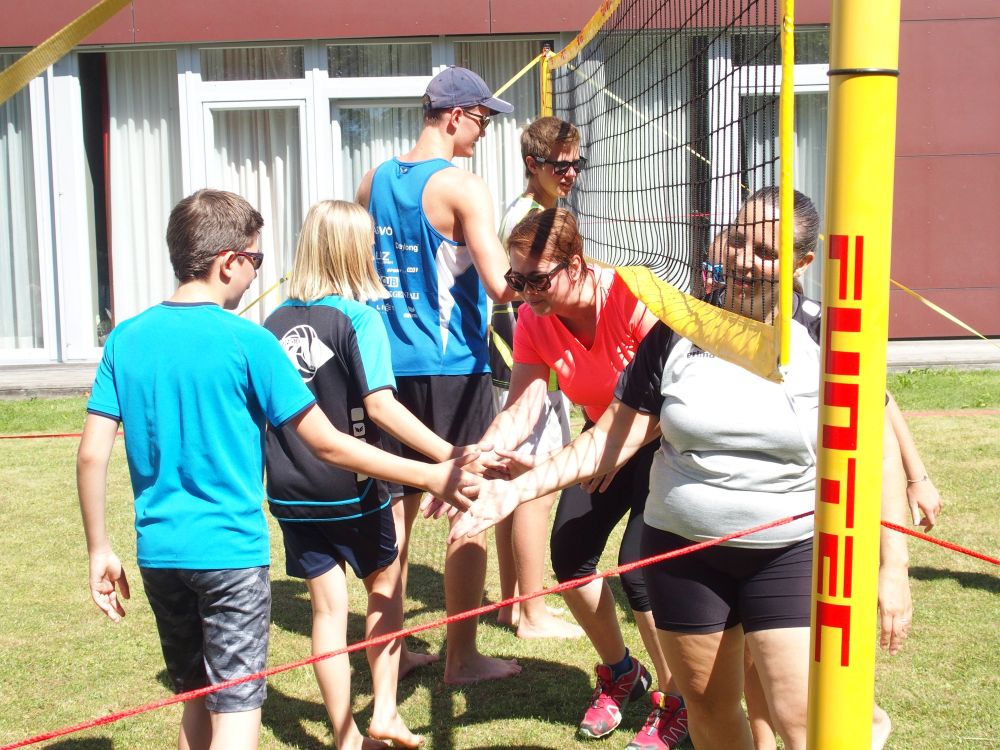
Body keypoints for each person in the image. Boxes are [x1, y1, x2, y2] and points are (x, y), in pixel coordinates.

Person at [452, 188, 912, 750]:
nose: (744, 259)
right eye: (737, 240)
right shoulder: (678, 328)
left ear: (802, 262)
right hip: (684, 554)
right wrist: (517, 489)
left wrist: (893, 567)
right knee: (709, 711)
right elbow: (609, 438)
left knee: (800, 720)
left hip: (788, 551)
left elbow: (878, 450)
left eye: (765, 251)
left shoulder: (829, 335)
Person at [77, 189, 476, 750]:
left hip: (159, 556)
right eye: (256, 259)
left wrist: (99, 548)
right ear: (229, 262)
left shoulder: (126, 338)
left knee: (195, 700)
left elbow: (91, 453)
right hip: (231, 554)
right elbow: (329, 445)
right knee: (238, 711)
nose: (257, 273)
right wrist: (431, 474)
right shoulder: (249, 341)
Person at [264, 201, 478, 749]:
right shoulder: (359, 318)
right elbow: (381, 408)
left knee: (326, 611)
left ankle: (345, 736)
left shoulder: (273, 322)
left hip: (290, 490)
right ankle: (384, 711)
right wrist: (448, 456)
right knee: (385, 587)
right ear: (353, 251)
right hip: (352, 487)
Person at [473, 207, 687, 748]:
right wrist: (482, 451)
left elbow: (667, 395)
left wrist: (610, 454)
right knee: (570, 556)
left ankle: (676, 700)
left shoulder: (631, 296)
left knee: (638, 568)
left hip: (663, 441)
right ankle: (621, 672)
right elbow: (523, 406)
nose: (524, 292)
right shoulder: (532, 318)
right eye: (516, 279)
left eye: (536, 279)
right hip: (600, 441)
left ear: (575, 264)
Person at [354, 65, 521, 684]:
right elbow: (503, 286)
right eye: (481, 120)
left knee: (393, 521)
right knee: (468, 509)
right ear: (454, 117)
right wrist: (558, 270)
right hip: (454, 367)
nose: (484, 131)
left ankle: (391, 658)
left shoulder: (372, 179)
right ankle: (462, 658)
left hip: (386, 373)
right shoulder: (463, 186)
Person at [490, 116, 586, 638]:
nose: (570, 173)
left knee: (516, 483)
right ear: (533, 164)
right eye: (560, 165)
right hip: (528, 368)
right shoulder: (536, 220)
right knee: (535, 488)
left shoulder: (528, 210)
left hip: (516, 360)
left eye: (576, 163)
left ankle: (512, 604)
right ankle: (532, 611)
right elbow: (512, 292)